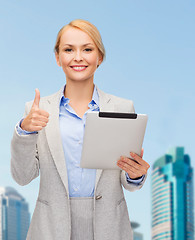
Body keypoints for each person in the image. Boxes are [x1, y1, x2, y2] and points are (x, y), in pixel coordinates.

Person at [10, 19, 150, 240]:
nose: (78, 57)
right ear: (57, 57)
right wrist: (24, 132)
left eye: (87, 49)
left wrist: (135, 175)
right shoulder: (36, 111)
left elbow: (127, 181)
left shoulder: (123, 108)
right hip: (50, 229)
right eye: (68, 49)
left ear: (99, 57)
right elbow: (22, 176)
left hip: (109, 229)